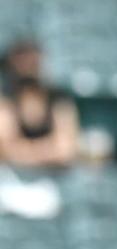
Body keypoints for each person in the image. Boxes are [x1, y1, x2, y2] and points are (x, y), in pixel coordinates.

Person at [0, 40, 79, 168]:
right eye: (22, 59)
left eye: (32, 59)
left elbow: (66, 149)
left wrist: (25, 151)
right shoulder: (6, 101)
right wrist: (49, 148)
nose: (27, 65)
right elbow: (6, 149)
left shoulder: (59, 98)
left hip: (55, 178)